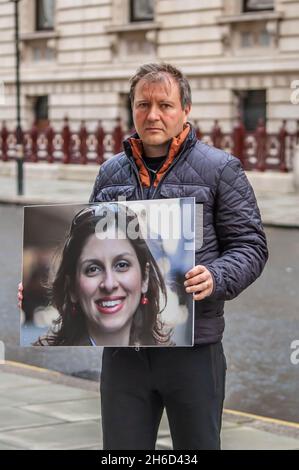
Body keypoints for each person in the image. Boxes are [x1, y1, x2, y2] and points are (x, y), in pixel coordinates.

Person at [88, 63, 268, 450]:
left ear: (185, 110)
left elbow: (250, 245)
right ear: (132, 109)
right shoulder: (109, 173)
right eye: (143, 104)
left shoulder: (220, 169)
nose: (153, 115)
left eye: (165, 105)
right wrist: (47, 290)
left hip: (193, 348)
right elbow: (88, 249)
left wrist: (216, 275)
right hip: (124, 351)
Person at [20, 203, 171, 347]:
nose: (109, 284)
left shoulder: (167, 356)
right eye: (93, 269)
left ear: (144, 278)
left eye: (122, 265)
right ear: (72, 288)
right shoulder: (44, 356)